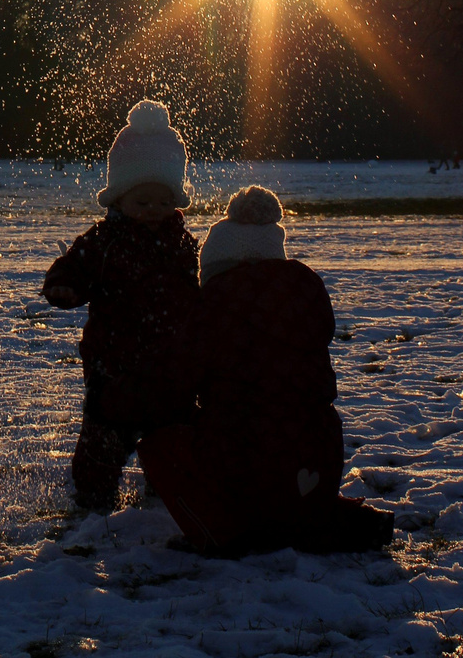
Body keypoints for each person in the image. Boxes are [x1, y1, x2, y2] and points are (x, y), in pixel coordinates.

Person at [138, 185, 394, 554]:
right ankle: (299, 512)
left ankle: (223, 532)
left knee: (160, 445)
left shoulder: (214, 305)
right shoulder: (305, 295)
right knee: (287, 475)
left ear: (217, 267)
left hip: (245, 460)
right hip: (319, 457)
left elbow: (174, 384)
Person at [42, 100, 199, 511]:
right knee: (103, 438)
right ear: (120, 198)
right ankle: (93, 499)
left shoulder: (184, 245)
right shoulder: (104, 242)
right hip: (114, 367)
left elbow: (199, 292)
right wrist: (64, 288)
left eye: (163, 203)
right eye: (142, 203)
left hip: (172, 371)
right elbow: (72, 267)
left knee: (174, 439)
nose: (153, 212)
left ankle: (167, 490)